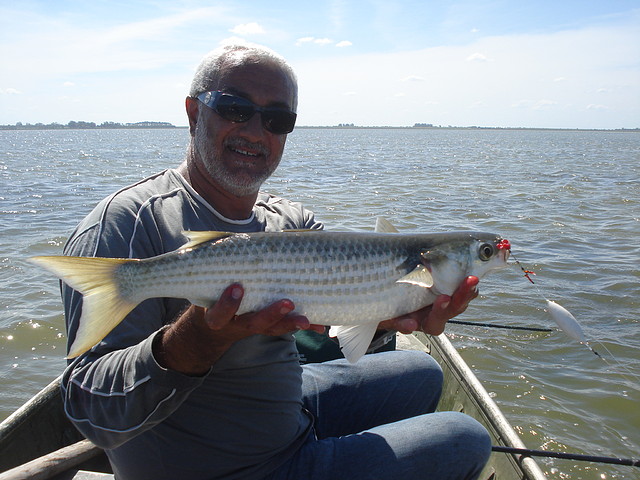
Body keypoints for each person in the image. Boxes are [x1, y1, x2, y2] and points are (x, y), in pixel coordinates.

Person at [59, 42, 491, 480]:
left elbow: (336, 312)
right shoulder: (125, 224)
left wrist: (389, 308)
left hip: (286, 408)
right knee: (465, 437)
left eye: (277, 119)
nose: (255, 130)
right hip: (227, 467)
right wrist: (199, 340)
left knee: (421, 370)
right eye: (234, 108)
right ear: (193, 113)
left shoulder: (288, 219)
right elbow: (90, 410)